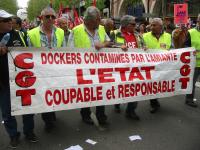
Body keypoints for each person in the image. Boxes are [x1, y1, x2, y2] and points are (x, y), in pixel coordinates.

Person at [0, 9, 37, 149]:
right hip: (3, 83)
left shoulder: (20, 35)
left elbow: (32, 52)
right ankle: (13, 135)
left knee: (27, 108)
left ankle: (29, 132)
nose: (10, 22)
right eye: (6, 20)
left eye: (10, 20)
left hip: (22, 80)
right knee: (7, 112)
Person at [68, 6, 110, 125]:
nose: (100, 21)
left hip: (100, 67)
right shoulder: (76, 31)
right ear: (90, 20)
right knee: (86, 92)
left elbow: (108, 41)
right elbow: (69, 51)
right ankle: (85, 114)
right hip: (84, 68)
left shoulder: (101, 29)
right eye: (98, 19)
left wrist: (102, 44)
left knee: (100, 90)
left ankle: (101, 114)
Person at [28, 7, 65, 132]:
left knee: (55, 94)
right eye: (47, 16)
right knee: (44, 95)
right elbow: (27, 53)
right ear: (41, 18)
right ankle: (48, 121)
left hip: (56, 71)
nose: (50, 19)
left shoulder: (60, 32)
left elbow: (65, 51)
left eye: (53, 17)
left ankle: (52, 113)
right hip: (40, 72)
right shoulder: (31, 33)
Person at [110, 15, 145, 120]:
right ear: (125, 25)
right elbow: (108, 46)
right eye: (133, 24)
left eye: (135, 24)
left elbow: (143, 45)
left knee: (134, 89)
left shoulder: (138, 35)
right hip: (120, 67)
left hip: (134, 67)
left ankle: (131, 110)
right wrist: (117, 46)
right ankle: (117, 103)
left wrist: (145, 47)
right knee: (120, 88)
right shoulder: (114, 34)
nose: (136, 26)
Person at [143, 18, 172, 113]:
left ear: (160, 26)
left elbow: (172, 49)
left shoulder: (168, 36)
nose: (152, 27)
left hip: (163, 65)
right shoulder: (145, 36)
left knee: (160, 84)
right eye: (151, 25)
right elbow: (139, 49)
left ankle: (156, 100)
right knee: (152, 84)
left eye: (154, 25)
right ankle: (153, 103)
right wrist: (143, 48)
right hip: (150, 66)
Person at [184, 14, 200, 107]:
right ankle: (189, 99)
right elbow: (185, 45)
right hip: (194, 63)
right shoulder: (191, 32)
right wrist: (192, 51)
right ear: (198, 21)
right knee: (192, 83)